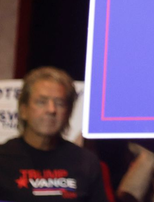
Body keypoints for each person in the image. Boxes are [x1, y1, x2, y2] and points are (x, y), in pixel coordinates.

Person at [0, 67, 109, 201]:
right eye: (42, 102)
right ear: (23, 110)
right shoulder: (3, 159)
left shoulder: (86, 162)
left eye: (60, 103)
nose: (51, 110)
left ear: (69, 112)